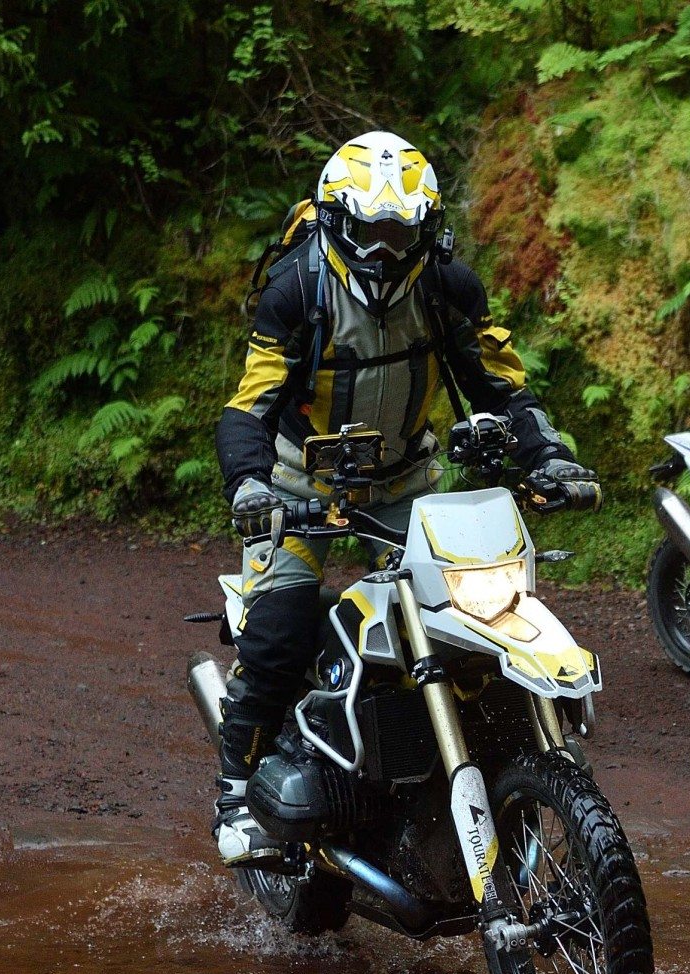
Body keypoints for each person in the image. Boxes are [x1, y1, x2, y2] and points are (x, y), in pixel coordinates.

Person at [212, 130, 594, 865]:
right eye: (370, 233)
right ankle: (234, 793)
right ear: (336, 223)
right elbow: (246, 408)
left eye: (401, 234)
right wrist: (251, 484)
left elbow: (501, 384)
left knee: (466, 626)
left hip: (408, 482)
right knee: (281, 630)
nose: (385, 252)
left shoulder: (448, 287)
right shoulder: (296, 290)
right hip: (297, 485)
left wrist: (549, 456)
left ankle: (435, 776)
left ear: (427, 230)